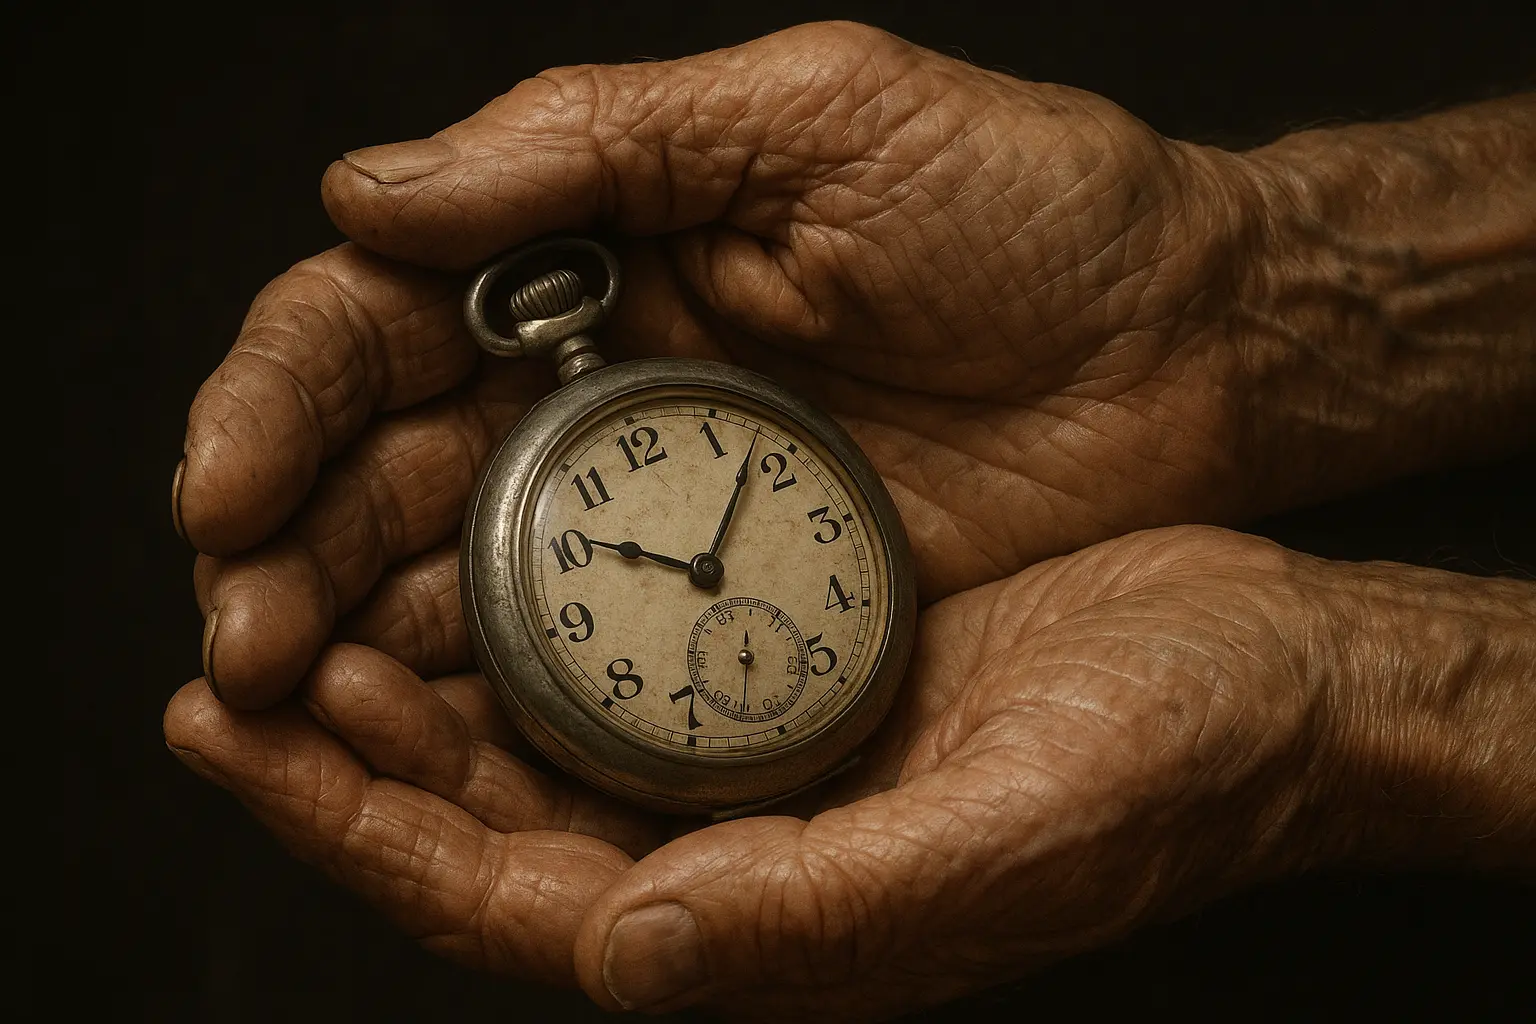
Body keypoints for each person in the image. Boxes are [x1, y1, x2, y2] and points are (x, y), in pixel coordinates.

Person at [163, 21, 1534, 1021]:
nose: (704, 568)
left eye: (705, 543)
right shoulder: (582, 488)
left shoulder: (713, 428)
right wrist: (1268, 284)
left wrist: (1357, 698)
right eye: (655, 561)